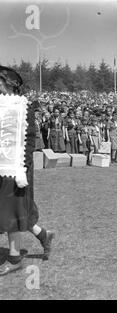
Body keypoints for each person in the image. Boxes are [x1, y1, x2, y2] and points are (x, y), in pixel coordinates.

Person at [0, 66, 54, 276]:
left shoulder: (24, 107)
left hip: (17, 166)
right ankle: (44, 236)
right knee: (18, 209)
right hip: (2, 164)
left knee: (10, 208)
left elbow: (30, 139)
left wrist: (22, 168)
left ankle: (14, 258)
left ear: (8, 83)